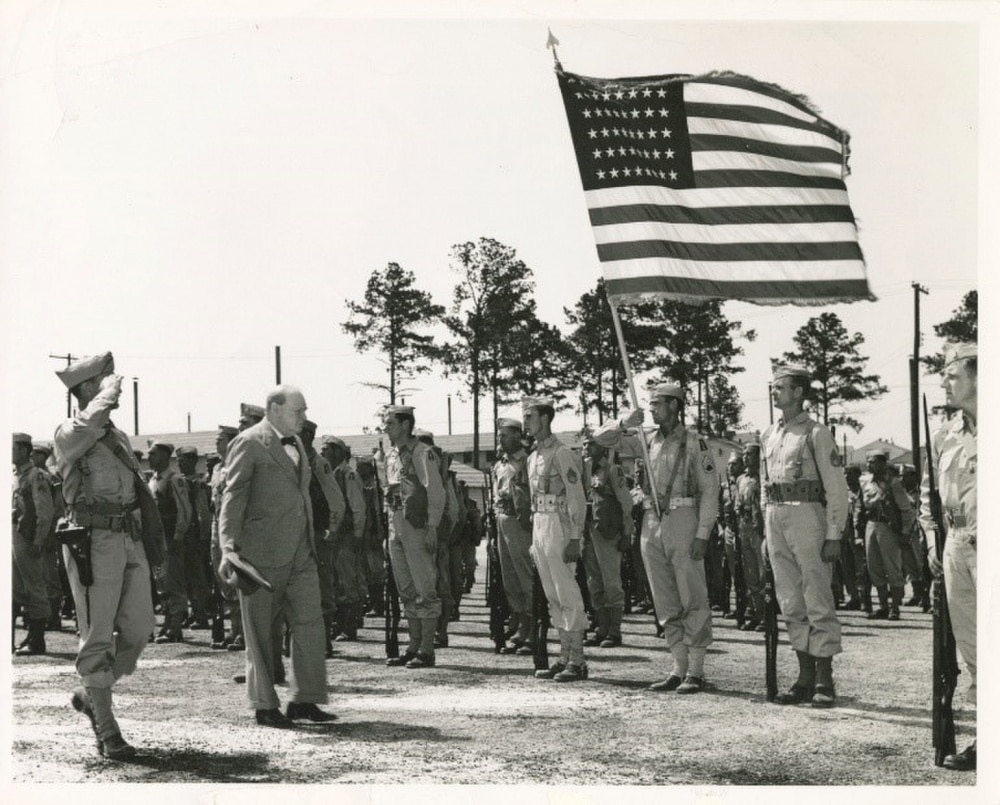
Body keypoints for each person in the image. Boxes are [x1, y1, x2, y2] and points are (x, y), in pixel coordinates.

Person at [53, 352, 165, 759]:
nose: (112, 384)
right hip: (92, 540)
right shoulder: (70, 431)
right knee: (97, 634)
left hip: (126, 537)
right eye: (102, 379)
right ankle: (107, 728)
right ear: (85, 389)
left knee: (139, 628)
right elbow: (84, 427)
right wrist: (108, 394)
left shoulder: (115, 437)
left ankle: (91, 690)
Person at [218, 385, 335, 727]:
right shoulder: (249, 442)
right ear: (274, 409)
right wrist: (228, 548)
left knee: (310, 624)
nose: (304, 417)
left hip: (301, 551)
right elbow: (233, 497)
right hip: (260, 556)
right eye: (298, 411)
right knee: (259, 631)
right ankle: (264, 704)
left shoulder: (297, 442)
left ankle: (305, 699)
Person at [595, 382, 719, 693]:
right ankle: (678, 666)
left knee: (692, 594)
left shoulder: (694, 443)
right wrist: (625, 422)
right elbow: (600, 439)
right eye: (650, 404)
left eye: (657, 403)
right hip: (651, 520)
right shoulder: (644, 439)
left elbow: (709, 491)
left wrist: (703, 532)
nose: (651, 408)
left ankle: (697, 669)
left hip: (683, 518)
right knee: (664, 598)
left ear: (675, 406)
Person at [761, 363, 848, 708]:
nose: (774, 392)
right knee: (790, 598)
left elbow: (836, 488)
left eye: (780, 387)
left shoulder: (816, 433)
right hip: (776, 517)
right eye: (774, 387)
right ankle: (804, 675)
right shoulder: (769, 435)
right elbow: (765, 488)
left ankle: (824, 678)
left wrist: (834, 533)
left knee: (816, 595)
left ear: (798, 393)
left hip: (807, 516)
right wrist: (765, 531)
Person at [922, 341, 977, 771]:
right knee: (973, 643)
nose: (944, 381)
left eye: (953, 374)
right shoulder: (944, 434)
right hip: (956, 543)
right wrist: (930, 538)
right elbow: (929, 496)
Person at [523, 397, 589, 682]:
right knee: (552, 595)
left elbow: (577, 497)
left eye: (530, 416)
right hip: (540, 524)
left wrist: (575, 536)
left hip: (560, 527)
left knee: (567, 593)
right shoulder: (533, 456)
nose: (526, 422)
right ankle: (563, 655)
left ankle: (578, 659)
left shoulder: (562, 453)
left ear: (546, 418)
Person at [381, 405, 444, 669]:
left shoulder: (421, 453)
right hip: (396, 523)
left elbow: (435, 492)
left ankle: (427, 648)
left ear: (406, 425)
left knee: (424, 587)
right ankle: (413, 644)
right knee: (406, 588)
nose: (386, 428)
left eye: (390, 423)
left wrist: (432, 526)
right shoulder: (391, 455)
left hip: (416, 526)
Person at [581, 435, 633, 648]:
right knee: (594, 582)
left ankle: (614, 631)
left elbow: (626, 502)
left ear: (603, 446)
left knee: (611, 581)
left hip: (608, 531)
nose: (586, 448)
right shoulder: (584, 470)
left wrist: (628, 533)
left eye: (591, 443)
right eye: (584, 444)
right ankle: (601, 628)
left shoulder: (613, 470)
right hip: (589, 531)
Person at [301, 424, 346, 658]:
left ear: (308, 436)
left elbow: (336, 500)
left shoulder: (320, 464)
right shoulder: (291, 460)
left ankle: (325, 639)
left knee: (322, 585)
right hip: (295, 534)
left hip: (317, 532)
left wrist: (333, 529)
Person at [492, 418, 535, 655]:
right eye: (500, 436)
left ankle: (531, 629)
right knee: (510, 578)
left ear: (518, 436)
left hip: (520, 522)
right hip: (503, 520)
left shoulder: (527, 461)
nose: (501, 440)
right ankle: (518, 624)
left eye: (505, 435)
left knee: (524, 574)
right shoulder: (501, 464)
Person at [12, 432, 55, 656]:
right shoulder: (15, 475)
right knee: (16, 588)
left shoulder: (35, 476)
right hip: (14, 535)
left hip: (28, 537)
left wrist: (39, 539)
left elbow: (45, 512)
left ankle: (37, 639)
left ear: (22, 450)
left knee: (34, 587)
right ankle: (28, 635)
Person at [859, 450, 914, 620]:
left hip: (888, 527)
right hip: (871, 525)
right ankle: (882, 606)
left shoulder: (894, 483)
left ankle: (895, 608)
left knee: (892, 567)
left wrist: (905, 532)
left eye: (873, 462)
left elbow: (906, 510)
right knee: (874, 567)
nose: (869, 465)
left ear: (883, 464)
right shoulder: (865, 482)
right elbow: (860, 508)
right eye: (868, 462)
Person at [321, 435, 366, 642]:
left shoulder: (349, 475)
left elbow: (357, 508)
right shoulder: (329, 473)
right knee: (335, 581)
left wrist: (357, 535)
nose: (323, 454)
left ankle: (349, 626)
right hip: (333, 536)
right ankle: (339, 624)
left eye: (327, 450)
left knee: (348, 580)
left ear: (338, 452)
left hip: (346, 536)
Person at [147, 441, 193, 643]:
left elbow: (184, 510)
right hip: (157, 540)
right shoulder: (152, 480)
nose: (149, 458)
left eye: (153, 454)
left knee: (174, 581)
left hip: (170, 539)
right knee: (161, 582)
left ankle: (176, 626)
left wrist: (178, 536)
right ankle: (167, 621)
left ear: (165, 456)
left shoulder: (175, 480)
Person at [29, 443, 65, 630]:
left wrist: (51, 533)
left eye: (36, 454)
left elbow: (58, 507)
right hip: (31, 533)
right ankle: (37, 615)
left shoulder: (51, 477)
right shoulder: (30, 476)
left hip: (48, 531)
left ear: (44, 456)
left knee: (49, 574)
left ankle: (54, 616)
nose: (32, 457)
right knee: (36, 575)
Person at [176, 446, 213, 629]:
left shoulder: (200, 483)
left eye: (183, 460)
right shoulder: (180, 481)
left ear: (192, 461)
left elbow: (203, 511)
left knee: (197, 575)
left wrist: (203, 536)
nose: (180, 464)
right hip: (183, 534)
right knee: (186, 576)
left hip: (196, 534)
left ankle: (201, 615)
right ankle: (193, 612)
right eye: (179, 460)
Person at [735, 442, 765, 631]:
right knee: (750, 574)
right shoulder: (741, 479)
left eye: (750, 454)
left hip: (759, 528)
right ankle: (755, 613)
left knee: (763, 574)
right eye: (744, 454)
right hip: (743, 526)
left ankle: (765, 617)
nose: (746, 458)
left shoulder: (763, 477)